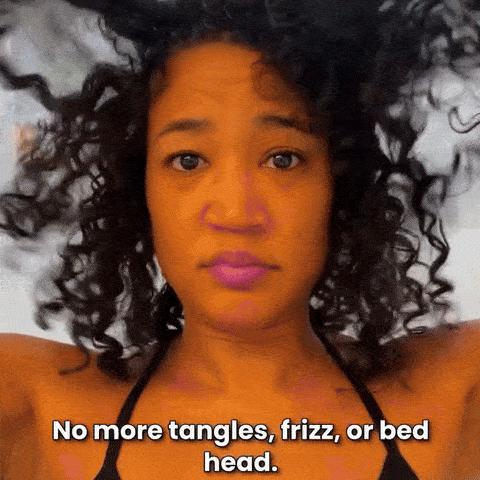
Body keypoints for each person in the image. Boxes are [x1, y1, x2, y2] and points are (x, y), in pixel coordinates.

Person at [0, 0, 479, 478]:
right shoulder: (33, 406)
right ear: (139, 190)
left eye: (283, 159)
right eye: (188, 160)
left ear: (340, 186)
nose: (236, 214)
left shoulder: (458, 393)